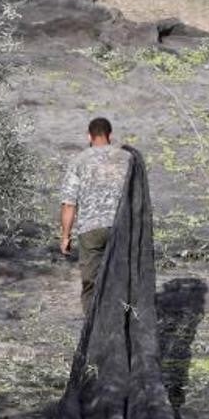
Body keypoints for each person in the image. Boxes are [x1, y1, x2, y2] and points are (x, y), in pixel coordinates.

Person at [58, 117, 133, 314]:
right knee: (120, 279)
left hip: (90, 229)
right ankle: (120, 324)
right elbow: (137, 197)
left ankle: (93, 329)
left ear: (89, 136)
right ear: (110, 135)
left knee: (90, 281)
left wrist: (66, 236)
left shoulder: (78, 161)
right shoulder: (126, 159)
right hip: (121, 227)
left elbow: (69, 203)